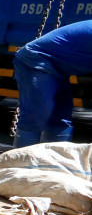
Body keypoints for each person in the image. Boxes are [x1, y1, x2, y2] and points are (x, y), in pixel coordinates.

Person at [13, 19, 92, 147]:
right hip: (37, 60)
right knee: (37, 116)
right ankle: (22, 163)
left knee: (60, 119)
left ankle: (52, 164)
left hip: (59, 69)